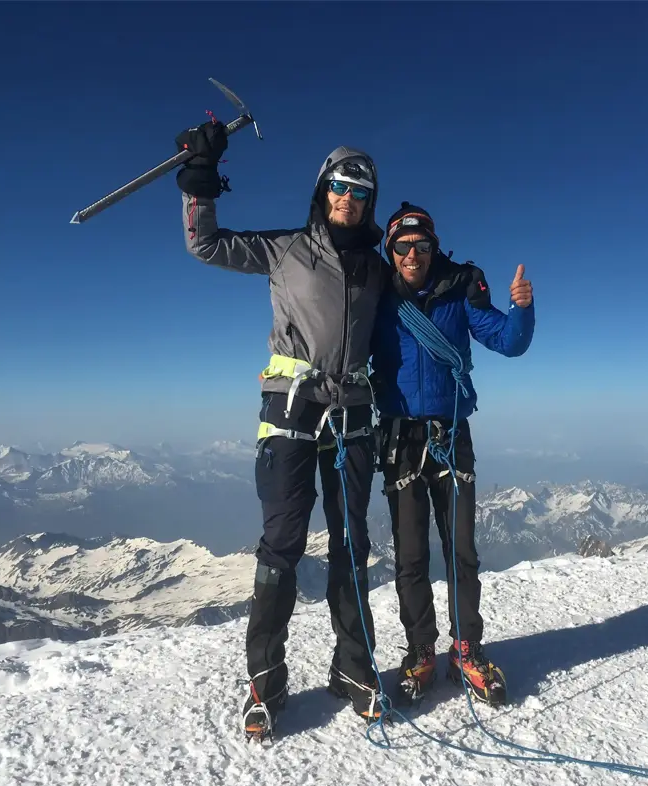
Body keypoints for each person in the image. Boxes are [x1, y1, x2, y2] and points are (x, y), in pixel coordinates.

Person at [174, 119, 392, 739]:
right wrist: (200, 178)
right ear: (323, 190)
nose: (349, 198)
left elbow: (412, 306)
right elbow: (205, 245)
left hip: (351, 414)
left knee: (351, 543)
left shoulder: (377, 270)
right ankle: (264, 685)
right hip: (291, 410)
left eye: (360, 192)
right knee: (282, 544)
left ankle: (353, 670)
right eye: (340, 187)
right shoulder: (286, 249)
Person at [369, 203, 535, 708]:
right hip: (401, 440)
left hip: (450, 435)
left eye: (421, 245)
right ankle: (421, 649)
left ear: (433, 248)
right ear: (390, 250)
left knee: (461, 550)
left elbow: (509, 341)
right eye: (402, 246)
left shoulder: (459, 289)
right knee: (411, 554)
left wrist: (521, 308)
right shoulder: (377, 296)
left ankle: (465, 648)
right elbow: (343, 343)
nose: (412, 254)